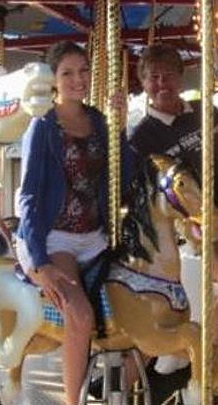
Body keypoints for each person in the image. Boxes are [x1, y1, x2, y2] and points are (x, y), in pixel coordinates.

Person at [129, 43, 218, 391]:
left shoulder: (209, 112)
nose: (162, 83)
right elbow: (142, 191)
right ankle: (208, 369)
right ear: (143, 83)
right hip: (205, 218)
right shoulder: (144, 138)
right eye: (153, 77)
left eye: (168, 75)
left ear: (181, 76)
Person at [15, 41, 132, 405]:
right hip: (56, 239)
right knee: (79, 314)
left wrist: (121, 130)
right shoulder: (42, 125)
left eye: (83, 71)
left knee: (150, 302)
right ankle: (72, 400)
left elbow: (123, 178)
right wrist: (40, 260)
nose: (78, 79)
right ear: (54, 80)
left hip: (96, 237)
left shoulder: (98, 121)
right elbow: (30, 197)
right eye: (68, 73)